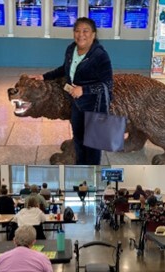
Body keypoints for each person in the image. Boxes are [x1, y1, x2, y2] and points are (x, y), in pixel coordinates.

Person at [32, 17, 113, 165]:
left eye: (85, 31)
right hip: (76, 104)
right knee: (79, 140)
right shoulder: (71, 49)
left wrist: (84, 89)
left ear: (93, 34)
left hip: (94, 107)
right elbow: (65, 69)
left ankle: (92, 173)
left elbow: (107, 85)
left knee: (93, 147)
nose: (80, 34)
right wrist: (44, 77)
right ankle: (80, 167)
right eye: (77, 31)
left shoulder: (100, 56)